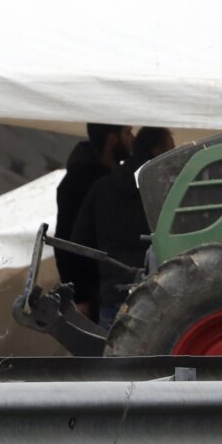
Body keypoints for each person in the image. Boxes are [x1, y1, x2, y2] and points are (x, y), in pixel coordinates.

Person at [70, 127, 175, 328]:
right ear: (157, 150)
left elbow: (79, 243)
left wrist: (86, 293)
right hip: (160, 295)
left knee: (113, 348)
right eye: (171, 151)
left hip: (113, 298)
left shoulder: (101, 188)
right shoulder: (165, 192)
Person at [54, 124, 133, 316]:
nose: (132, 138)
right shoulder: (80, 182)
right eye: (128, 132)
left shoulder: (111, 178)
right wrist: (79, 296)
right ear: (113, 139)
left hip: (110, 286)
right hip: (93, 290)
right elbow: (66, 241)